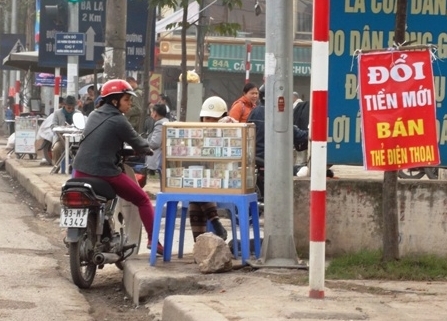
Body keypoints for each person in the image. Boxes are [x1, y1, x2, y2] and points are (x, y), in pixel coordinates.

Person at [72, 79, 164, 255]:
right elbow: (139, 143)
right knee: (143, 199)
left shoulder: (93, 115)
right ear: (115, 101)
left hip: (78, 171)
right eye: (127, 100)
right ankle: (154, 240)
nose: (130, 104)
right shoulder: (118, 121)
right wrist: (147, 150)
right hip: (104, 173)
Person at [187, 96, 237, 242]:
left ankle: (203, 238)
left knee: (199, 189)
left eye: (213, 118)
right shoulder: (198, 134)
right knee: (196, 194)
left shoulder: (231, 130)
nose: (208, 122)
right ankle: (209, 231)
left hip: (226, 180)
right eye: (206, 118)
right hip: (204, 184)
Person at [51, 95, 82, 167]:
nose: (71, 109)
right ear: (64, 105)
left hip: (75, 140)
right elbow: (53, 126)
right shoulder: (57, 113)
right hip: (61, 139)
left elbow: (81, 126)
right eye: (69, 108)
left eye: (73, 108)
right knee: (56, 148)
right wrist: (62, 128)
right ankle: (57, 166)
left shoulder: (78, 113)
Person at [145, 103, 170, 185]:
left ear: (155, 113)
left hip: (157, 158)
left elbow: (154, 143)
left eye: (152, 111)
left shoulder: (160, 124)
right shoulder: (165, 122)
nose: (151, 113)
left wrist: (142, 143)